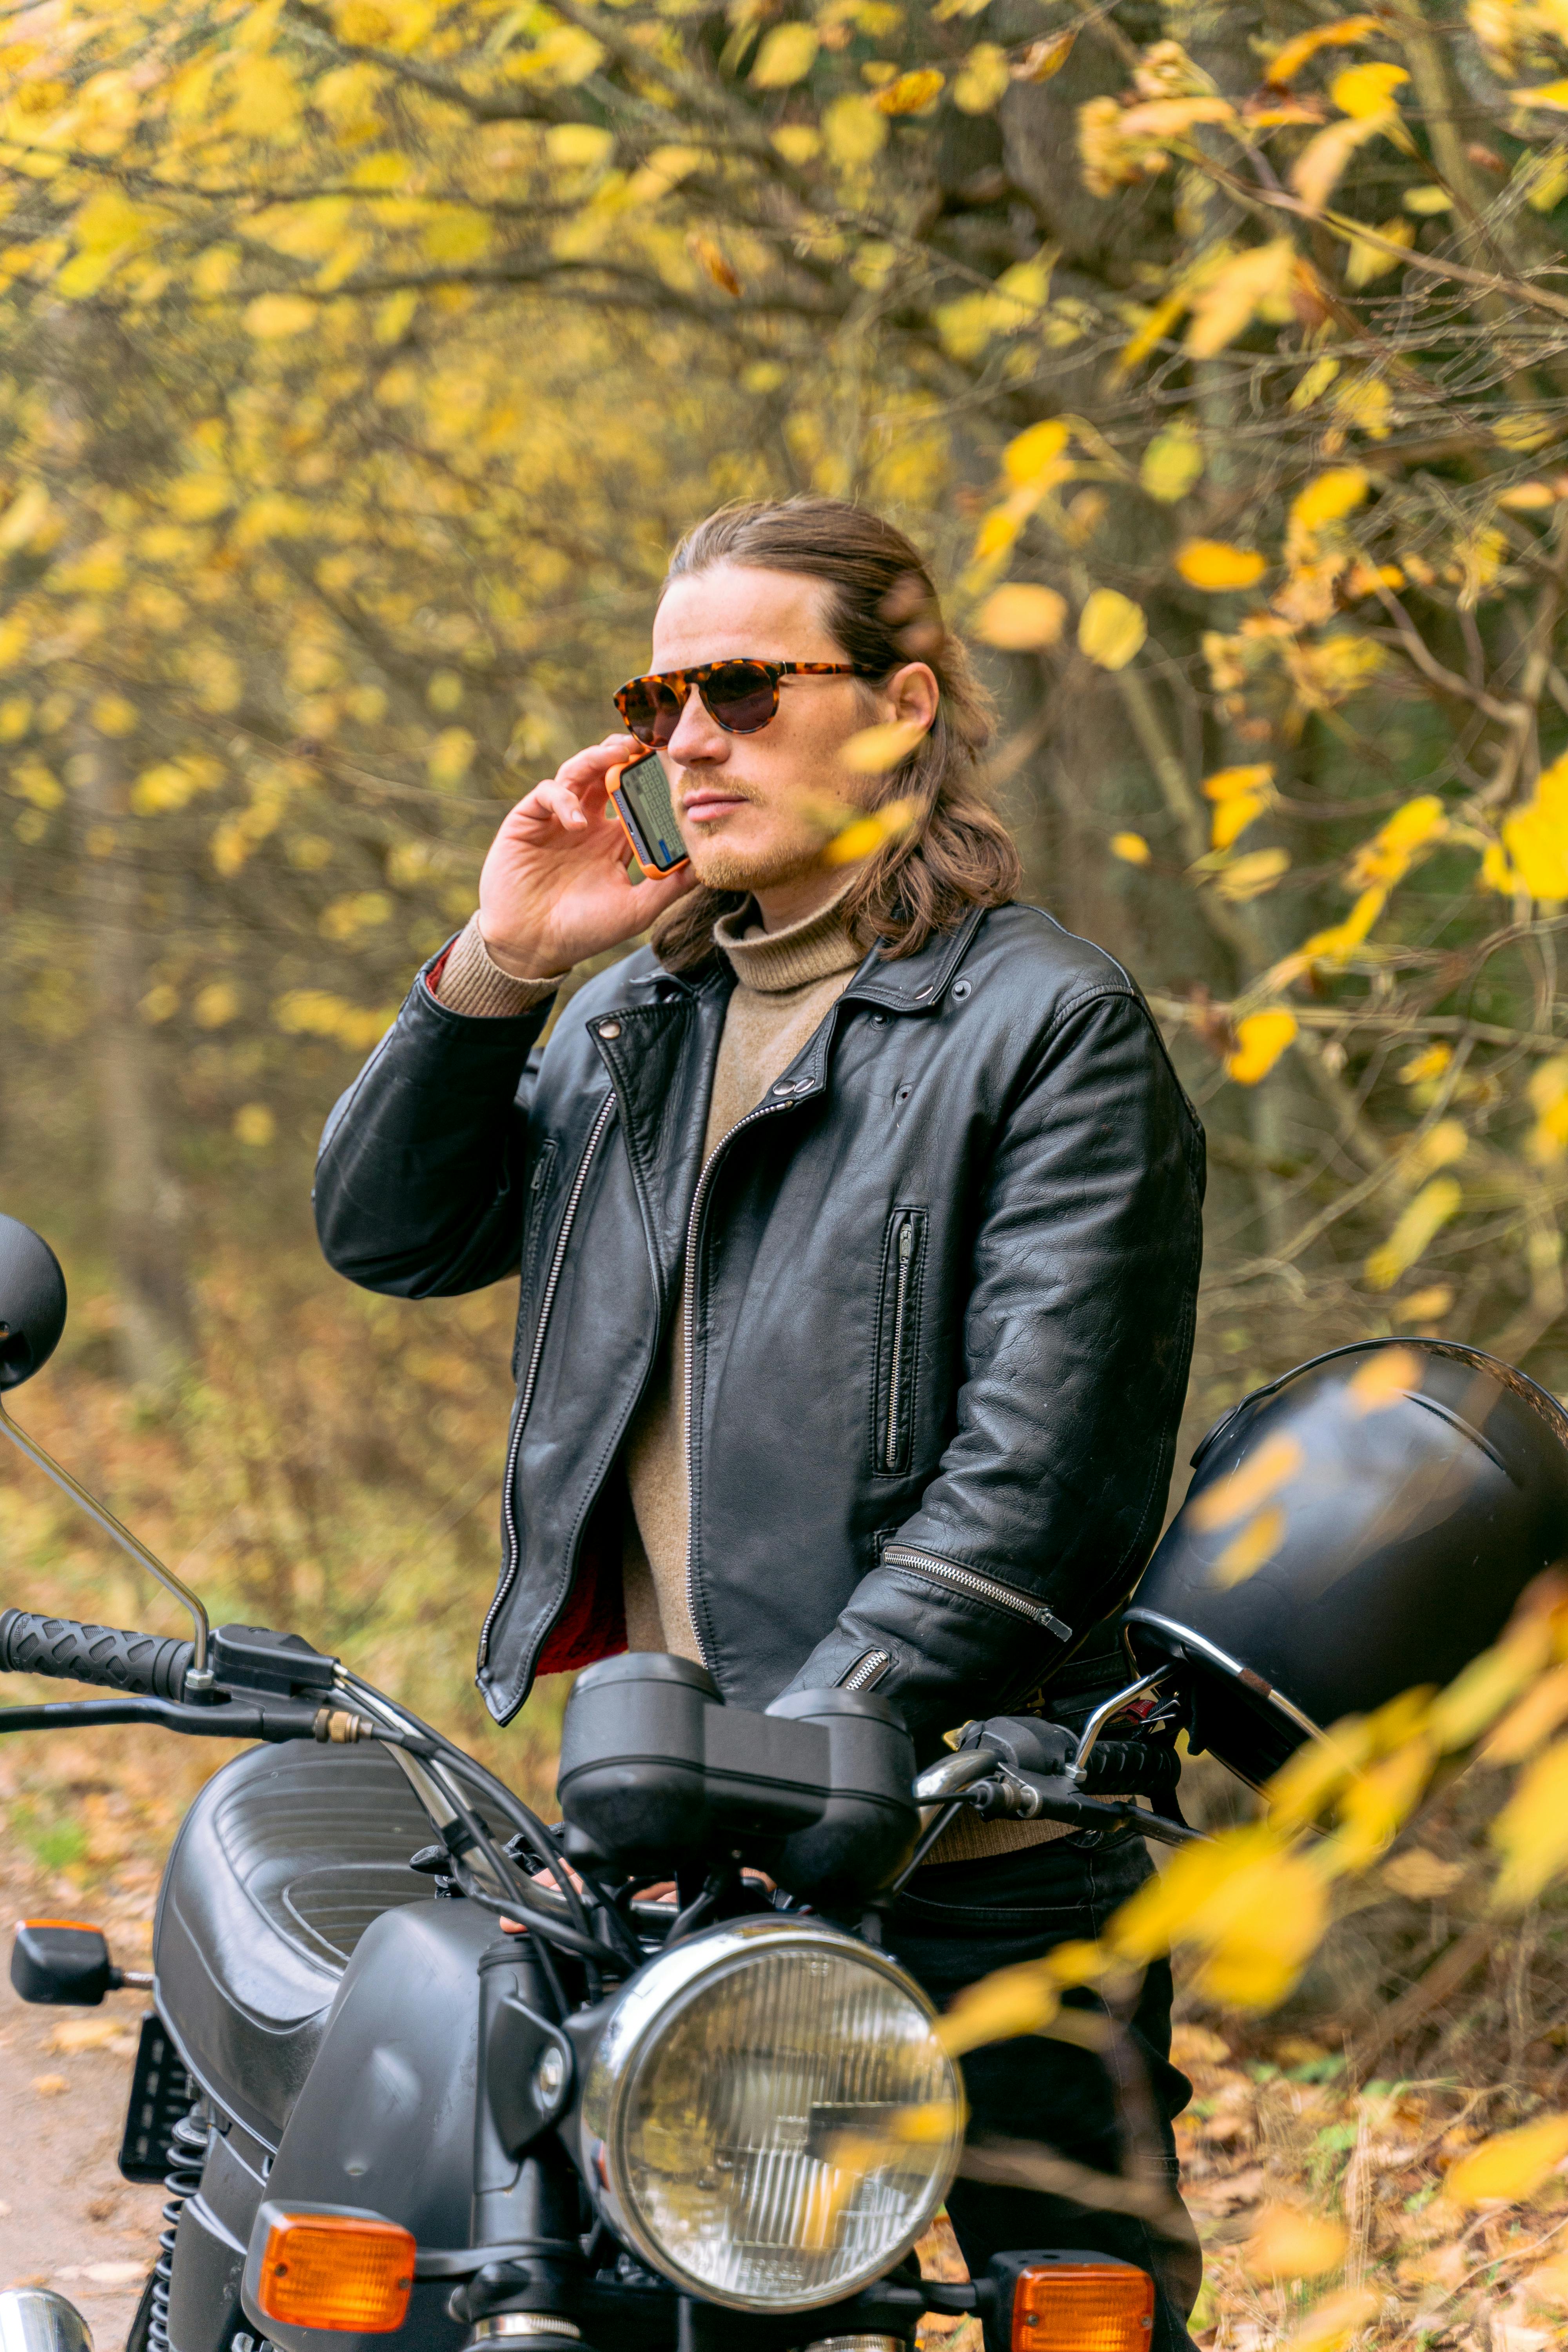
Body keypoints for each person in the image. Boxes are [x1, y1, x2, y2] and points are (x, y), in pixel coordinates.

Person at [314, 495, 1206, 2348]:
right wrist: (500, 965)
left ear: (897, 706)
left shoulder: (1048, 1029)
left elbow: (1038, 1480)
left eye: (739, 684)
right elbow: (390, 1232)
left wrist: (820, 1754)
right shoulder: (636, 1016)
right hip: (671, 1848)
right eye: (660, 698)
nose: (686, 739)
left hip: (974, 1868)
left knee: (1066, 2317)